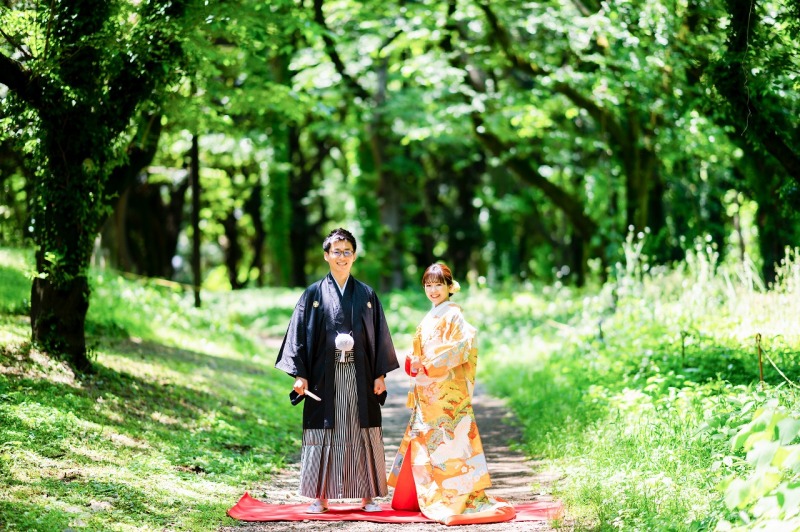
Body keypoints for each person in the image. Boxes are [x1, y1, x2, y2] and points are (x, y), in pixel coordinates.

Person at [275, 228, 399, 514]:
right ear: (326, 256)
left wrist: (380, 373)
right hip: (323, 377)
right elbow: (299, 337)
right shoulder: (313, 294)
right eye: (336, 251)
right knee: (324, 433)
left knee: (361, 431)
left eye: (347, 252)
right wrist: (300, 374)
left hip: (360, 375)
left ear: (354, 256)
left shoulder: (367, 294)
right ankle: (320, 496)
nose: (342, 257)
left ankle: (368, 496)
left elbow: (378, 336)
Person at [387, 263, 516, 525]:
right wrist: (414, 360)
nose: (433, 290)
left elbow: (462, 347)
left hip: (447, 394)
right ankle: (427, 495)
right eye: (428, 285)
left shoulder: (454, 315)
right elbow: (422, 350)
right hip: (427, 390)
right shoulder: (432, 315)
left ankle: (452, 497)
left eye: (438, 285)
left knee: (450, 444)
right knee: (425, 442)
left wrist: (431, 364)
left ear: (449, 287)